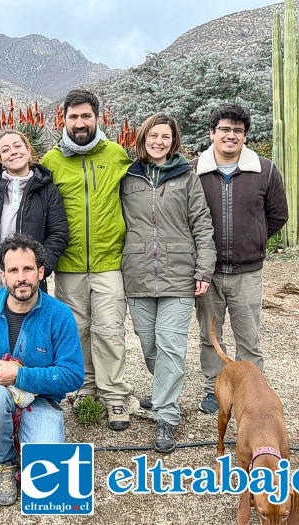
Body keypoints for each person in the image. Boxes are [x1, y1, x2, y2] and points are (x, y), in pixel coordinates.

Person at [0, 233, 84, 506]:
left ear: (40, 272)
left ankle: (27, 448)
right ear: (2, 275)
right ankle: (3, 462)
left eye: (28, 269)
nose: (21, 277)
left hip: (40, 401)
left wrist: (19, 375)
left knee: (50, 484)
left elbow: (73, 374)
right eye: (13, 270)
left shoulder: (59, 314)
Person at [40, 88, 134, 431]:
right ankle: (86, 387)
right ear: (63, 120)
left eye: (86, 116)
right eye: (73, 117)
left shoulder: (116, 154)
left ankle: (114, 396)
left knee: (109, 330)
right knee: (78, 330)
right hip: (69, 264)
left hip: (110, 261)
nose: (80, 123)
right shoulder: (51, 161)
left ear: (98, 117)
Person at [121, 113, 216, 452]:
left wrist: (204, 269)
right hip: (138, 274)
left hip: (179, 276)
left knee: (171, 345)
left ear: (173, 141)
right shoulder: (127, 177)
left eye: (165, 136)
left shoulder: (187, 178)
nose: (158, 141)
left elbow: (202, 225)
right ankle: (164, 390)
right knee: (149, 346)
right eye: (153, 135)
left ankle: (166, 416)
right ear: (143, 138)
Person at [192, 103, 288, 414]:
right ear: (212, 133)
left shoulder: (265, 169)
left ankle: (251, 391)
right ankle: (212, 388)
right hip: (208, 272)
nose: (231, 135)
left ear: (245, 136)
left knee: (249, 338)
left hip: (247, 272)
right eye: (224, 129)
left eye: (238, 130)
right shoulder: (195, 170)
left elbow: (277, 215)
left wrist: (254, 239)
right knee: (210, 334)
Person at [0, 129, 68, 293]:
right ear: (1, 159)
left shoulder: (48, 191)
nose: (13, 152)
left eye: (17, 146)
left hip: (30, 283)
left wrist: (39, 267)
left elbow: (58, 233)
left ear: (28, 150)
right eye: (5, 150)